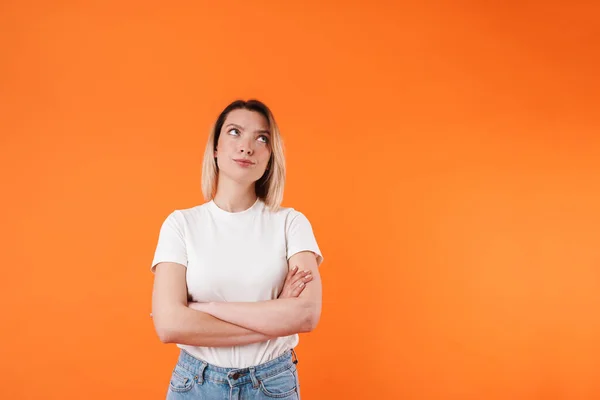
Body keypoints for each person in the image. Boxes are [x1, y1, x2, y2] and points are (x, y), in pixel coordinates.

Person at [150, 99, 324, 399]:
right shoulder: (180, 224)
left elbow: (306, 315)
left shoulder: (291, 223)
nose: (247, 147)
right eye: (234, 132)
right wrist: (275, 318)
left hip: (271, 384)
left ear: (270, 157)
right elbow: (168, 325)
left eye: (262, 138)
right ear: (215, 148)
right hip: (196, 385)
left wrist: (206, 309)